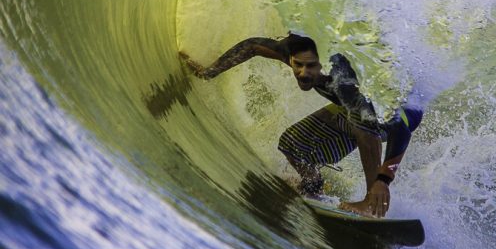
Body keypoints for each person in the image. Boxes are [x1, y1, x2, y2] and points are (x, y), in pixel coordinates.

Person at [179, 33, 422, 217]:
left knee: (362, 124)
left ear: (323, 64)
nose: (303, 73)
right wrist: (209, 72)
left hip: (399, 114)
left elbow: (400, 128)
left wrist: (383, 181)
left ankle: (371, 201)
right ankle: (313, 182)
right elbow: (252, 46)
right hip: (352, 112)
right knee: (292, 143)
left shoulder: (344, 80)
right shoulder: (295, 51)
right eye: (297, 65)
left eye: (311, 67)